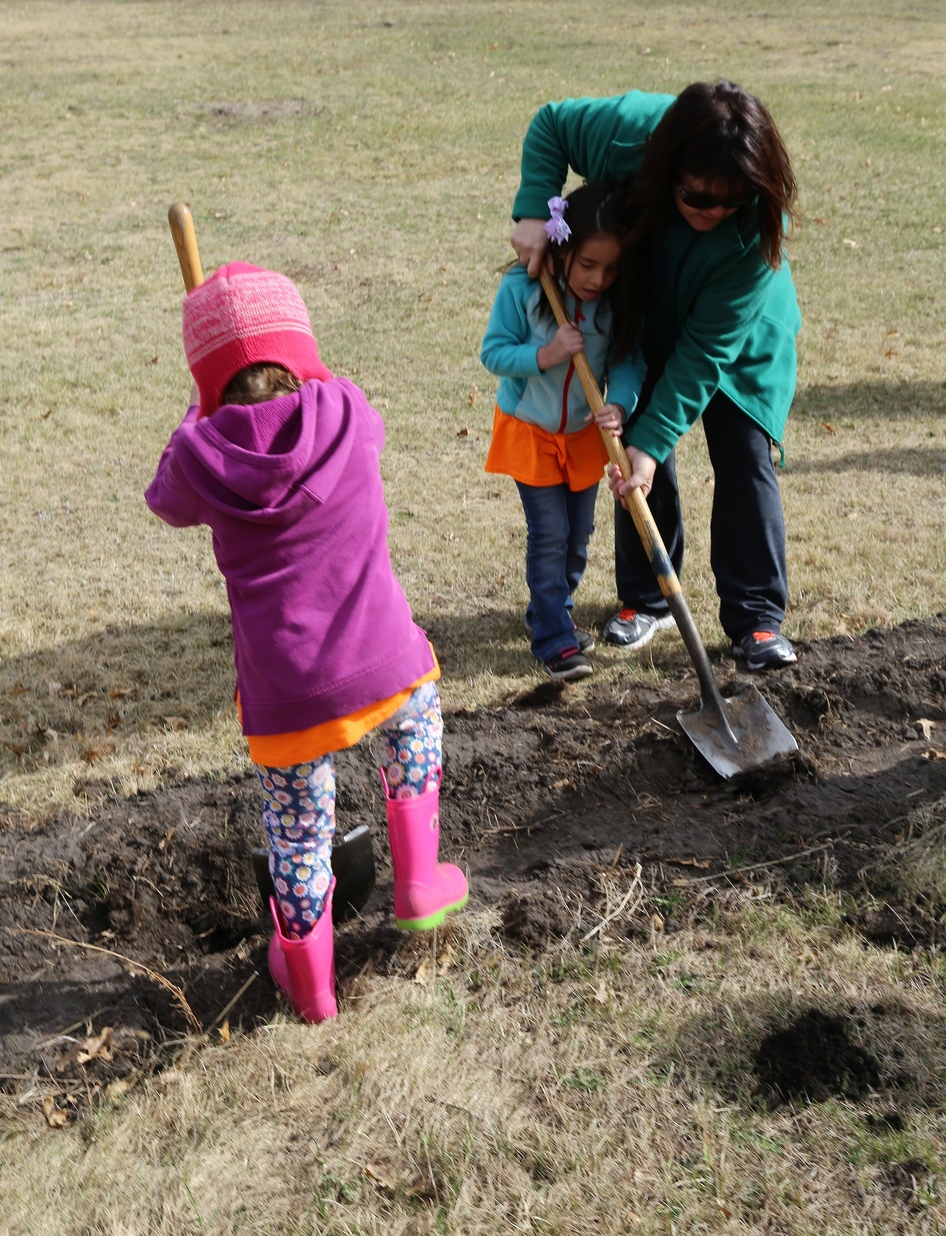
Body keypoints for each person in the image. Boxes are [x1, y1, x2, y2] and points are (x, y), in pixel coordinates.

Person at [145, 262, 467, 1023]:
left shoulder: (199, 455)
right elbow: (355, 414)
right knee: (415, 728)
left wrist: (199, 415)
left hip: (287, 696)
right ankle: (419, 884)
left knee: (296, 831)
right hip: (383, 658)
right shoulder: (348, 410)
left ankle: (311, 985)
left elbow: (164, 501)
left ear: (206, 378)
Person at [510, 82, 802, 672]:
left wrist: (653, 441)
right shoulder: (632, 132)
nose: (713, 212)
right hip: (642, 315)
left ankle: (755, 619)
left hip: (738, 335)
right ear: (668, 164)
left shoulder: (752, 232)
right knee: (634, 438)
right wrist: (534, 209)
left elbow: (702, 354)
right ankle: (648, 598)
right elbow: (551, 125)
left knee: (743, 450)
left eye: (731, 200)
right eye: (697, 196)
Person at [481, 181, 646, 682]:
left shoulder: (616, 304)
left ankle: (555, 607)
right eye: (588, 265)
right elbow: (493, 352)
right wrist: (545, 355)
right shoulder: (523, 291)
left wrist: (619, 403)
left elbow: (630, 362)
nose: (598, 279)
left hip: (581, 435)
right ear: (561, 251)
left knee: (578, 537)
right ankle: (554, 639)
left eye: (611, 268)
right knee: (550, 534)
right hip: (530, 428)